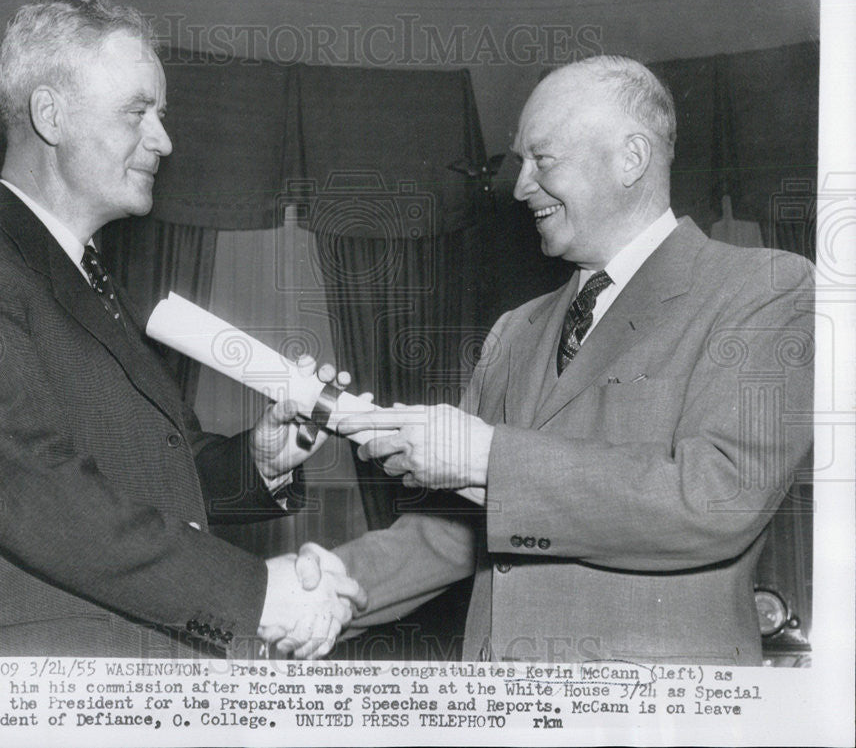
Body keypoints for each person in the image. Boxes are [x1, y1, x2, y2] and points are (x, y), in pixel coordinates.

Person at [0, 0, 364, 660]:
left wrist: (255, 460)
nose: (164, 140)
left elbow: (148, 471)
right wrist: (255, 593)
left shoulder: (97, 282)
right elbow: (36, 490)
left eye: (160, 116)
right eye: (139, 112)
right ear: (50, 115)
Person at [313, 55, 814, 665]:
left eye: (541, 160)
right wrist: (328, 584)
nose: (520, 186)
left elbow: (718, 495)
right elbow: (460, 530)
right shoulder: (513, 331)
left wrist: (487, 456)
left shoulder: (764, 288)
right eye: (519, 162)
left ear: (631, 158)